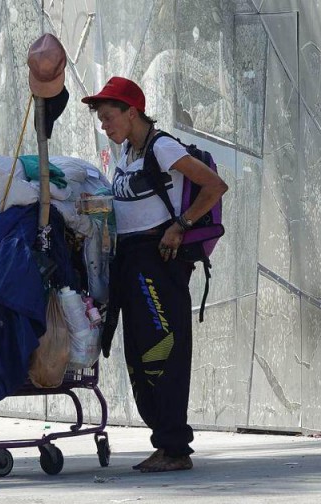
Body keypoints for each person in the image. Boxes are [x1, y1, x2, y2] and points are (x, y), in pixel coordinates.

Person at [82, 77, 228, 473]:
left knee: (162, 350)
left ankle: (175, 447)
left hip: (158, 260)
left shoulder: (163, 147)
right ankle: (164, 442)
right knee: (137, 354)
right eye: (101, 119)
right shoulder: (127, 152)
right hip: (130, 260)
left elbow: (214, 186)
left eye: (109, 116)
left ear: (133, 112)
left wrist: (180, 224)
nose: (105, 125)